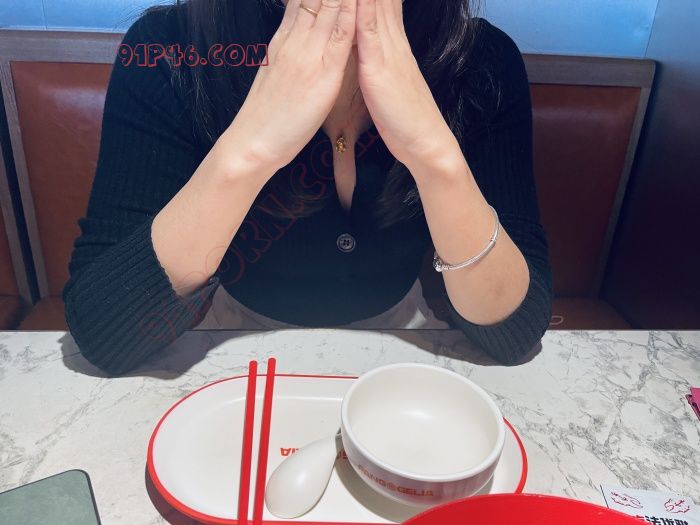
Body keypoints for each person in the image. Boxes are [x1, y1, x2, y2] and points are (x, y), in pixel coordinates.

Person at [63, 0, 553, 375]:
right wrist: (249, 151)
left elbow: (515, 333)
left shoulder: (478, 59)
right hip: (229, 352)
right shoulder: (170, 48)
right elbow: (106, 333)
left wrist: (434, 156)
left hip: (404, 354)